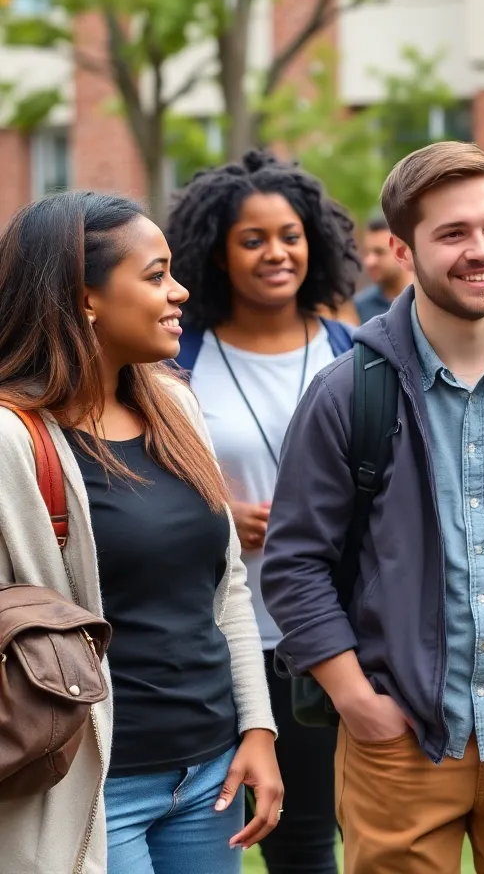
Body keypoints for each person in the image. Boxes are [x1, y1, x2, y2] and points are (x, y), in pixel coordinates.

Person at [261, 141, 484, 874]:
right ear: (401, 247)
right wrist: (356, 700)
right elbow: (295, 563)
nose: (482, 250)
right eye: (453, 233)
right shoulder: (345, 393)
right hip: (397, 740)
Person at [0, 192, 281, 874]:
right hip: (89, 784)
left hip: (210, 774)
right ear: (84, 297)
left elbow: (227, 589)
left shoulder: (175, 406)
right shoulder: (13, 437)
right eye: (155, 275)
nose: (179, 291)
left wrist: (258, 728)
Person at [166, 149, 361, 874]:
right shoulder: (176, 359)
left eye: (290, 235)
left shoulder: (356, 354)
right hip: (222, 641)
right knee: (209, 833)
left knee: (316, 838)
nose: (277, 253)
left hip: (335, 639)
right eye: (253, 240)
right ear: (215, 255)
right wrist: (214, 513)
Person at [353, 214, 411, 323]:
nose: (369, 261)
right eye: (366, 253)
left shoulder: (427, 300)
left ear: (402, 252)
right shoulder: (361, 307)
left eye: (379, 252)